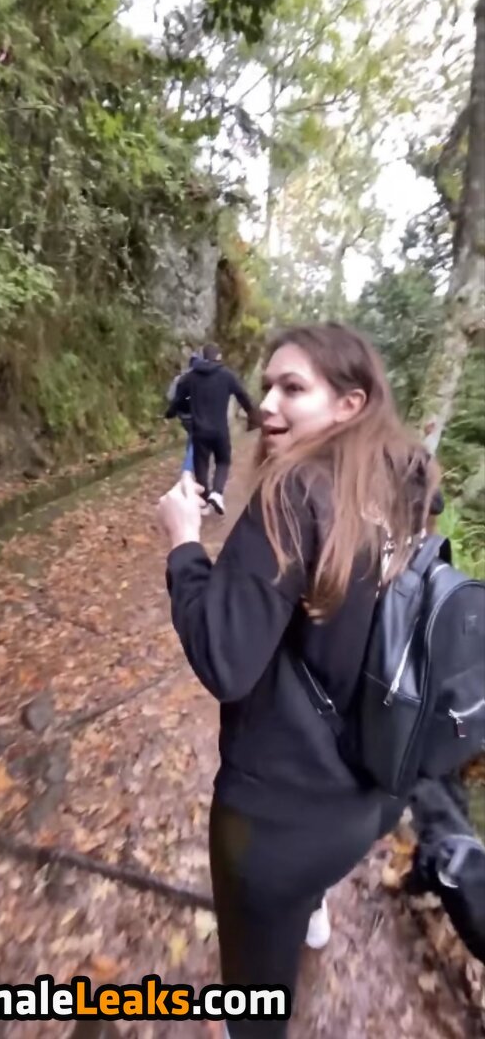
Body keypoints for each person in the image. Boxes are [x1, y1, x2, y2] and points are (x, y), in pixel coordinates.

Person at [158, 323, 441, 1038]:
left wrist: (184, 544)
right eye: (267, 386)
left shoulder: (291, 493)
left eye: (292, 388)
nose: (266, 405)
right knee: (301, 899)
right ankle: (311, 913)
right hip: (374, 792)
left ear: (350, 403)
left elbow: (224, 659)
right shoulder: (406, 483)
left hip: (275, 822)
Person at [166, 343, 256, 516]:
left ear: (202, 356)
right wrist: (253, 414)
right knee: (223, 461)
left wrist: (171, 412)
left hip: (199, 430)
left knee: (201, 465)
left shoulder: (191, 377)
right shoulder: (227, 375)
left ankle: (205, 502)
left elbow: (179, 399)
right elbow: (243, 396)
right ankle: (217, 493)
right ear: (219, 357)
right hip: (220, 430)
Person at [166, 351, 201, 480]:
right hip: (197, 415)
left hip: (183, 415)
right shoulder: (202, 378)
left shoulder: (179, 378)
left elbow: (170, 396)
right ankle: (187, 470)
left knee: (192, 438)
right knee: (195, 440)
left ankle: (190, 466)